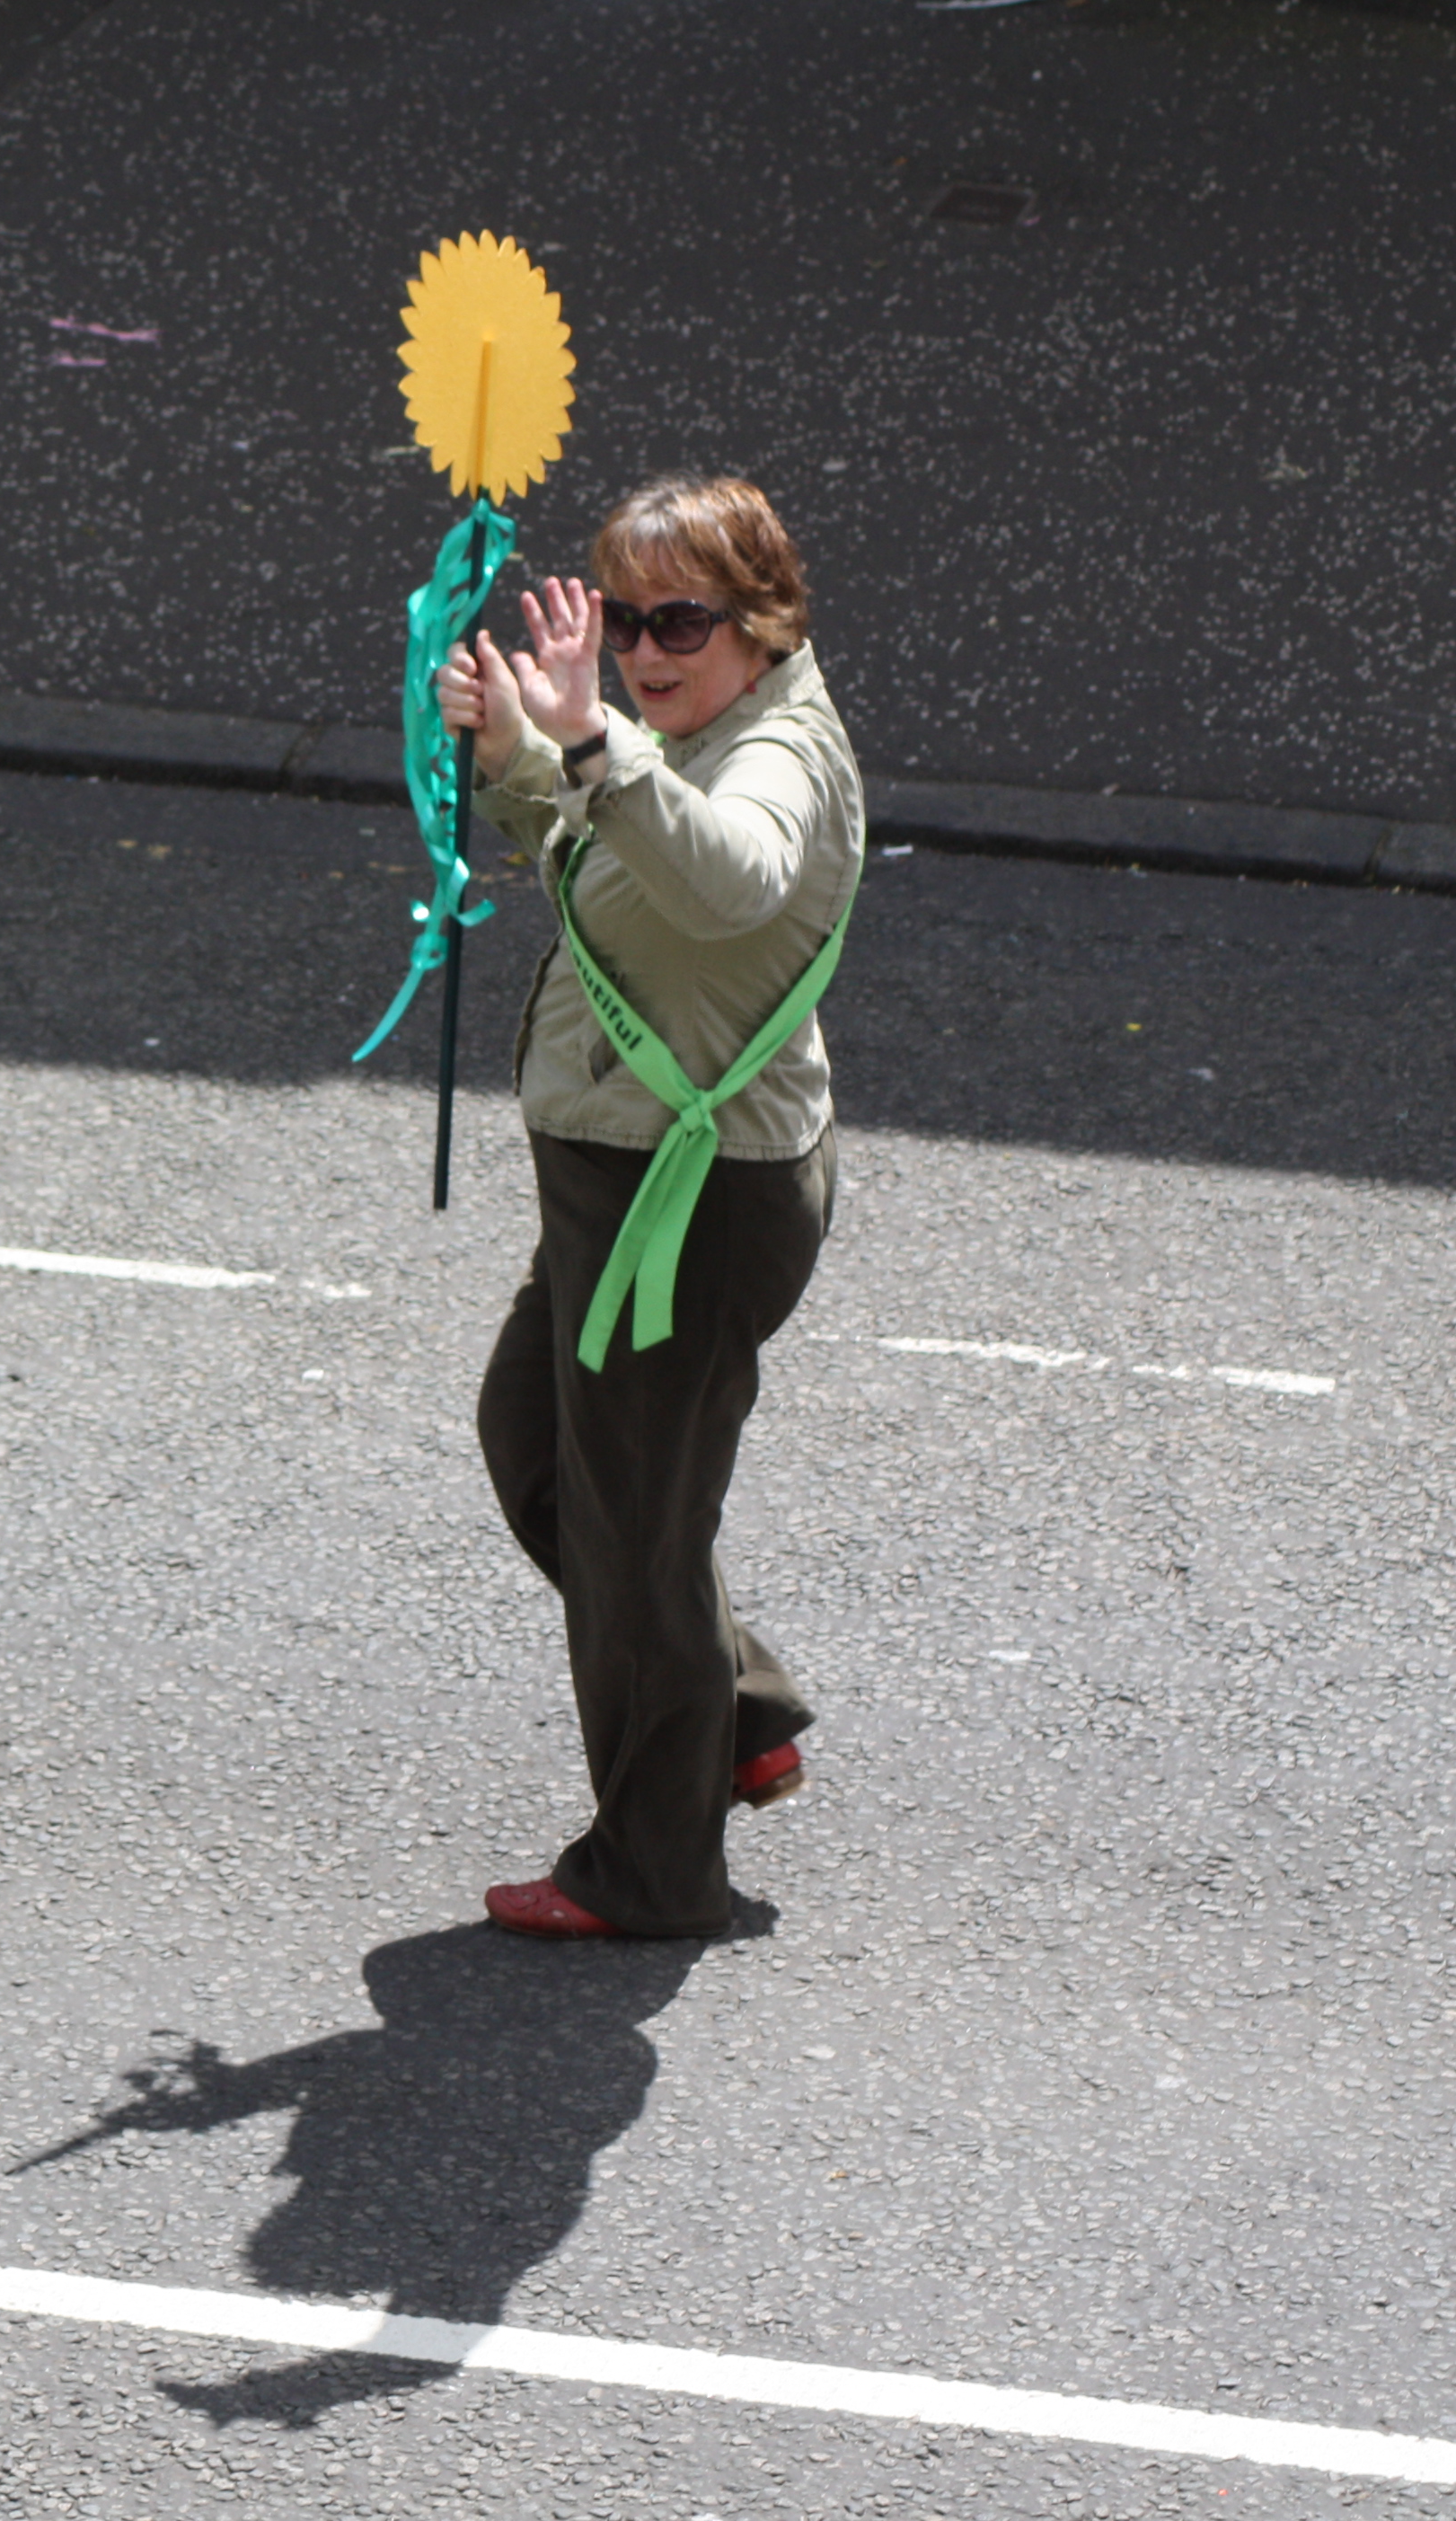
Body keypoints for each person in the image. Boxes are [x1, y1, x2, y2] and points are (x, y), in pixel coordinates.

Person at [436, 473, 862, 1942]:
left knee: (634, 1535)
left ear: (764, 618)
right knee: (539, 1450)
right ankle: (734, 1709)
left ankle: (655, 1871)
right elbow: (592, 855)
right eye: (622, 620)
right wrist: (515, 746)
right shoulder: (682, 734)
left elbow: (730, 879)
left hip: (689, 1202)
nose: (642, 650)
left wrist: (590, 741)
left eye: (680, 621)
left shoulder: (779, 754)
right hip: (620, 1182)